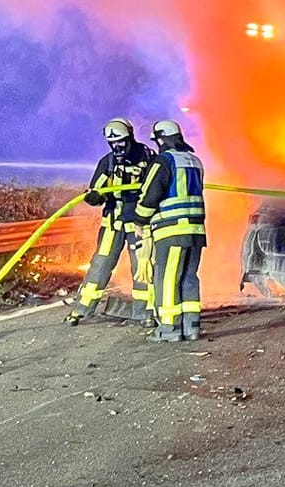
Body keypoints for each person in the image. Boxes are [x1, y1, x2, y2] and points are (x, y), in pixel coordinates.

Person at [68, 119, 158, 325]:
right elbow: (97, 188)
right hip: (113, 224)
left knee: (142, 268)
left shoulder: (148, 157)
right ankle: (82, 309)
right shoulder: (108, 162)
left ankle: (144, 313)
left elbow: (157, 187)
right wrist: (94, 197)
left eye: (121, 142)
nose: (117, 147)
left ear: (130, 137)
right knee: (100, 265)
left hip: (139, 225)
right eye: (113, 143)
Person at [143, 118, 207, 342]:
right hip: (196, 231)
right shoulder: (195, 160)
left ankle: (169, 329)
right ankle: (191, 327)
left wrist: (138, 218)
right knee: (189, 277)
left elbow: (151, 194)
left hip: (171, 230)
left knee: (168, 278)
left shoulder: (164, 161)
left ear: (161, 139)